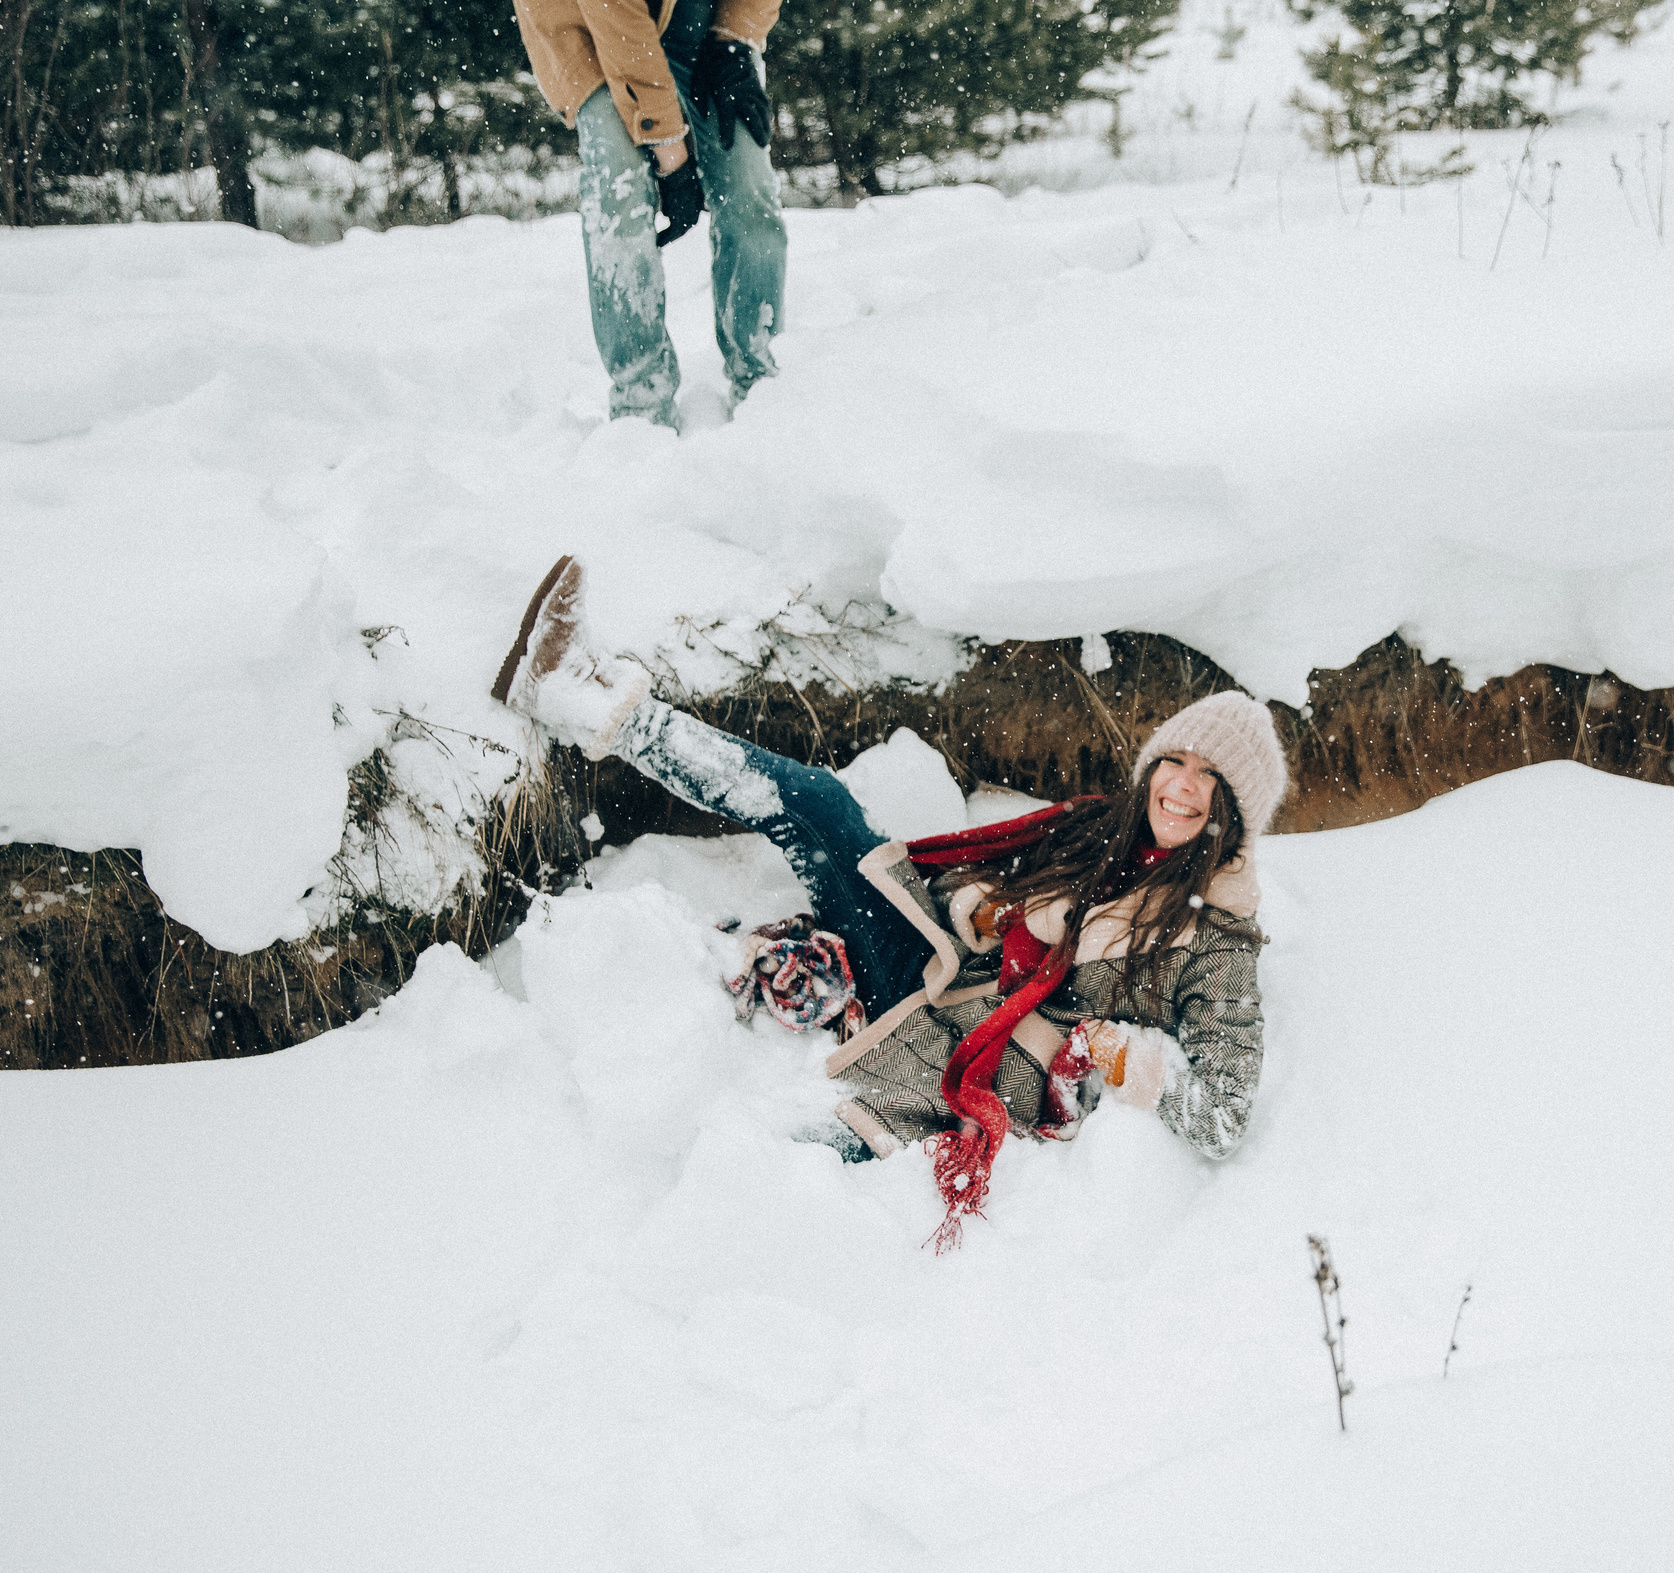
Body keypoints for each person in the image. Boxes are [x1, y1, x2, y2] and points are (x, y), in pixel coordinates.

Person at [490, 558, 1284, 1247]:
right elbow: (992, 873)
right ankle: (593, 702)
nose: (1184, 786)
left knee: (820, 1138)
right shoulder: (1103, 830)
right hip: (941, 960)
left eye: (1211, 779)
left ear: (1234, 815)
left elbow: (1223, 1115)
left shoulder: (1215, 941)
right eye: (1175, 760)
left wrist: (1121, 1058)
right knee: (821, 806)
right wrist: (982, 905)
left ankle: (676, 1207)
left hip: (976, 1050)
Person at [511, 0, 787, 428]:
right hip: (589, 27)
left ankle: (761, 382)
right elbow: (615, 16)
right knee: (619, 189)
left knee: (748, 182)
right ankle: (641, 402)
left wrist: (734, 36)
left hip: (703, 23)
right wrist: (670, 152)